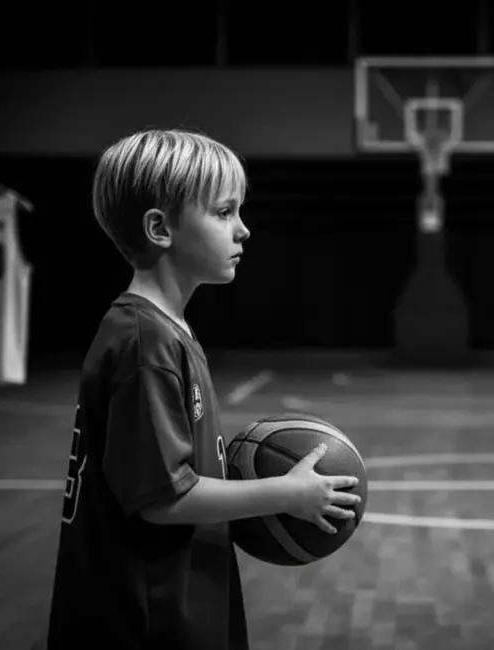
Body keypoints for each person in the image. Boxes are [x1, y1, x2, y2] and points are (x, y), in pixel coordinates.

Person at [46, 129, 362, 649]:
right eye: (223, 212)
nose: (243, 230)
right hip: (148, 618)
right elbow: (163, 500)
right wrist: (288, 492)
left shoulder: (163, 330)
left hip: (177, 599)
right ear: (160, 227)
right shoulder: (145, 341)